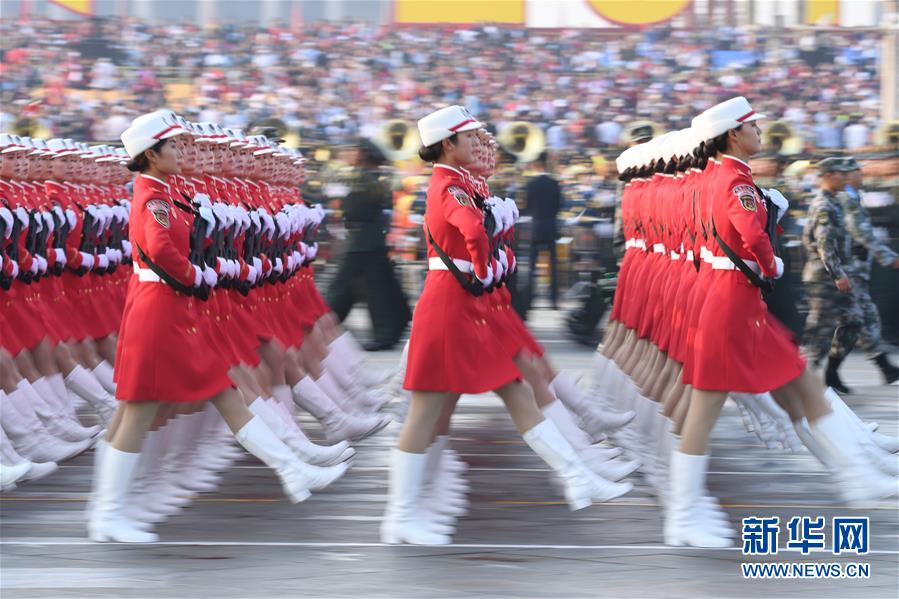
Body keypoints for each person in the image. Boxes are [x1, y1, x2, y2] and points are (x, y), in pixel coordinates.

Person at [87, 110, 347, 543]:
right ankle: (107, 512)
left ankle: (292, 469)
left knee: (220, 390)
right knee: (139, 409)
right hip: (161, 310)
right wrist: (196, 275)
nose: (182, 152)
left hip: (174, 309)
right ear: (151, 155)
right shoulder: (153, 197)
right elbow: (160, 248)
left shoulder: (165, 192)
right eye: (173, 146)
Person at [381, 105, 630, 546]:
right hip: (452, 306)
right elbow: (472, 231)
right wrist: (484, 266)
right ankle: (400, 515)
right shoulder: (449, 186)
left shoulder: (455, 183)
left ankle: (576, 476)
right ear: (446, 144)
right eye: (469, 138)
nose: (479, 144)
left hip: (463, 304)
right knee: (427, 413)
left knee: (515, 388)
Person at [666, 97, 896, 548]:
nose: (760, 131)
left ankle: (856, 477)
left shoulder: (721, 176)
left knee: (802, 387)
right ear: (734, 133)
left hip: (733, 300)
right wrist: (772, 265)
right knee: (705, 408)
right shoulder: (733, 180)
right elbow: (751, 235)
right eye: (753, 125)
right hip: (731, 302)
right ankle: (682, 514)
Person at [327, 138, 411, 350]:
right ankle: (386, 330)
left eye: (352, 149)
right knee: (369, 288)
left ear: (362, 153)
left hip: (363, 242)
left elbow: (353, 209)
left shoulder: (362, 178)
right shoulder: (371, 177)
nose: (347, 154)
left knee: (356, 289)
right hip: (366, 242)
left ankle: (321, 327)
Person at [801, 157, 862, 393]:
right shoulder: (823, 205)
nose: (845, 177)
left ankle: (831, 373)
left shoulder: (837, 202)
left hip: (837, 274)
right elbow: (824, 244)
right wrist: (838, 274)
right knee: (819, 332)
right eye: (840, 173)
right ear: (827, 176)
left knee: (853, 321)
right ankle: (802, 382)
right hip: (824, 277)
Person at [839, 156, 899, 384]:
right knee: (855, 319)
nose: (862, 175)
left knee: (858, 319)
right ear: (846, 175)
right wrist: (889, 257)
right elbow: (861, 234)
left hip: (856, 268)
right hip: (847, 270)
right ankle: (817, 369)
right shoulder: (846, 199)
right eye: (857, 172)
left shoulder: (855, 197)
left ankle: (883, 367)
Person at [525, 150, 562, 309]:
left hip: (535, 228)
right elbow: (558, 206)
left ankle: (530, 300)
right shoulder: (554, 184)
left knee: (532, 267)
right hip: (551, 227)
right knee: (553, 267)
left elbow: (526, 207)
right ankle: (553, 301)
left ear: (537, 165)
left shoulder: (530, 184)